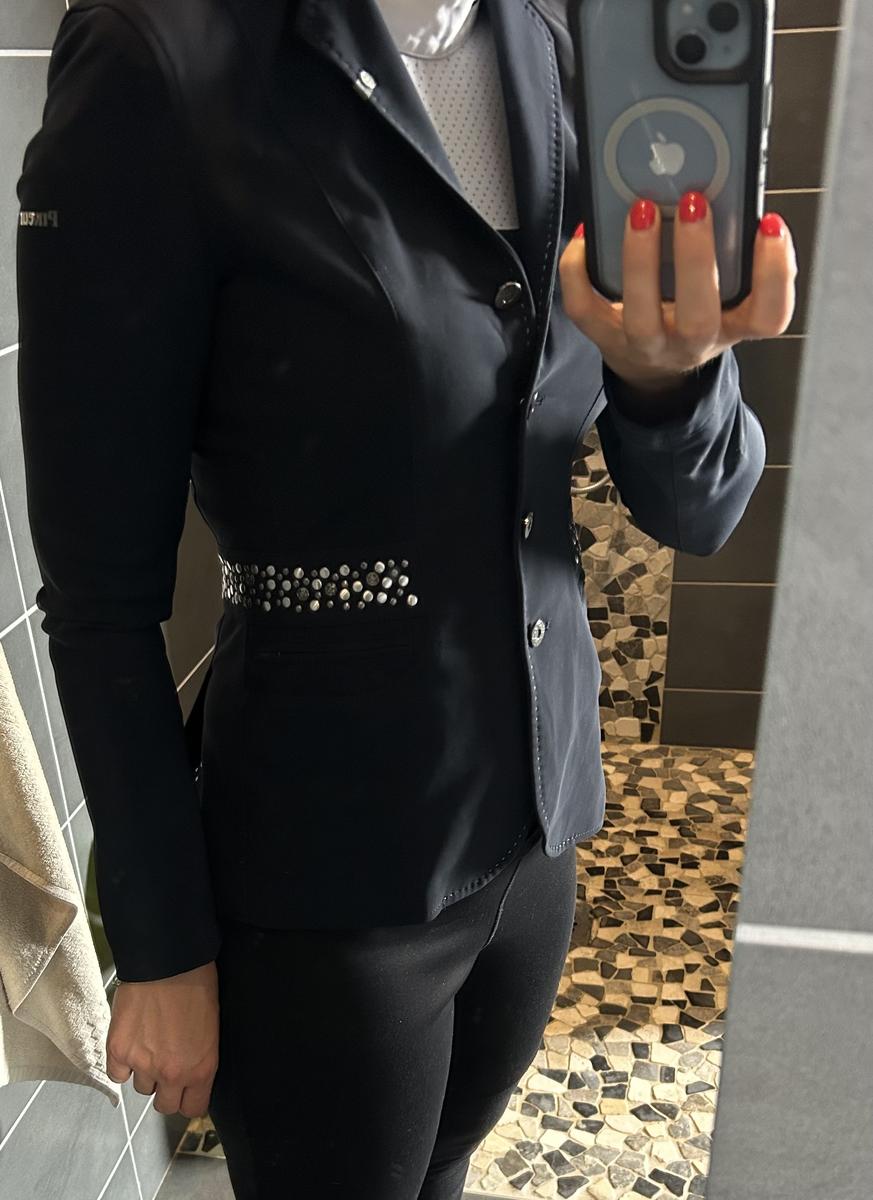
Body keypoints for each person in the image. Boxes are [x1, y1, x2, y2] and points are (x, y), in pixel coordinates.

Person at [14, 0, 795, 1196]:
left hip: (533, 842)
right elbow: (97, 592)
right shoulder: (158, 55)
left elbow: (702, 510)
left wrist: (673, 379)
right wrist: (162, 947)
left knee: (446, 1172)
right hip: (327, 885)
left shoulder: (563, 44)